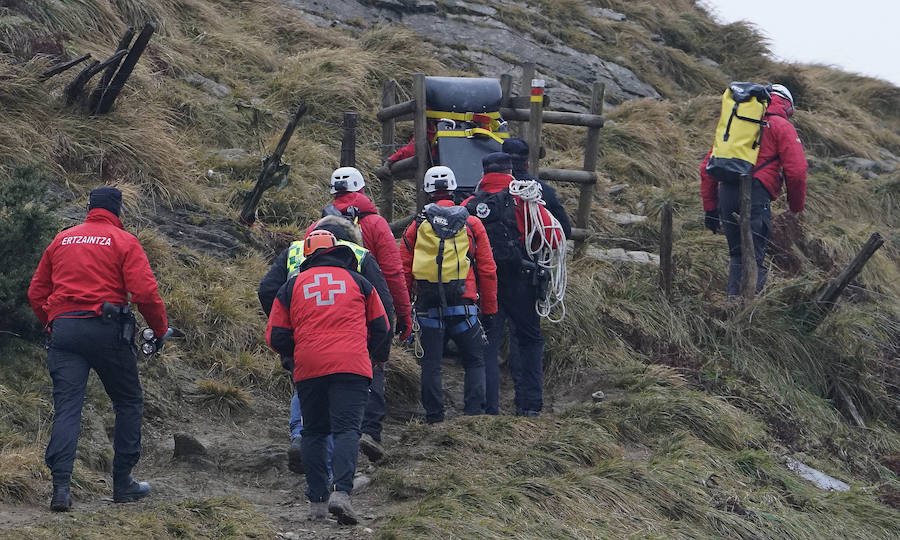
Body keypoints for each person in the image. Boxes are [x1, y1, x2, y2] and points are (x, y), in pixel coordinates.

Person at [27, 187, 168, 512]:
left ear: (89, 208)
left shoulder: (62, 239)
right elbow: (145, 294)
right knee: (128, 400)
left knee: (67, 409)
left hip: (64, 332)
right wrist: (159, 331)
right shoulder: (124, 241)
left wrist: (52, 322)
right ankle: (123, 483)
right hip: (107, 332)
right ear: (117, 212)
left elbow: (36, 292)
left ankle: (61, 489)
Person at [266, 230, 390, 525]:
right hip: (352, 365)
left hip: (310, 367)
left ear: (308, 256)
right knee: (347, 430)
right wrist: (369, 352)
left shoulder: (292, 285)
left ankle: (317, 502)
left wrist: (297, 353)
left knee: (314, 432)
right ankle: (342, 494)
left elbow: (275, 335)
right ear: (337, 251)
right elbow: (382, 326)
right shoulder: (360, 282)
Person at [463, 153, 561, 417]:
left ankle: (486, 408)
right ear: (510, 172)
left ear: (484, 173)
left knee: (487, 345)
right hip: (522, 280)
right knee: (529, 340)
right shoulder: (526, 201)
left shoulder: (470, 205)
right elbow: (553, 238)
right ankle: (529, 405)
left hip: (484, 284)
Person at [400, 166, 498, 423]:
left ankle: (434, 417)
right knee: (475, 361)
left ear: (427, 190)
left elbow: (404, 271)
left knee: (431, 363)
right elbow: (487, 270)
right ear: (453, 188)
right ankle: (474, 414)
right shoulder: (472, 223)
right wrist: (489, 309)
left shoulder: (416, 225)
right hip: (465, 304)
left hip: (428, 305)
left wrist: (404, 310)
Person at [700, 84, 808, 296]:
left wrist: (711, 209)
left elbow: (707, 168)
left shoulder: (737, 122)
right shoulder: (780, 124)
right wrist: (796, 208)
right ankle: (748, 315)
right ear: (787, 105)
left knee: (737, 255)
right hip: (756, 193)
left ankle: (731, 307)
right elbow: (797, 171)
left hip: (726, 191)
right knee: (754, 256)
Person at [310, 167, 412, 342]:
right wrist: (404, 314)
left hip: (321, 316)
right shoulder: (376, 224)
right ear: (362, 190)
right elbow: (393, 274)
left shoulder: (315, 228)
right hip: (366, 315)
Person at [502, 138, 572, 238]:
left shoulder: (486, 189)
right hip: (533, 251)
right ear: (527, 164)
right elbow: (565, 231)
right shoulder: (545, 191)